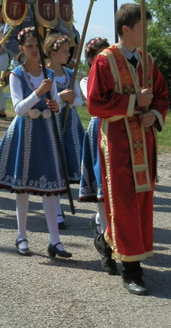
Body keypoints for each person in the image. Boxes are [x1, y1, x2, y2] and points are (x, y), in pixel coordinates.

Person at [87, 4, 169, 296]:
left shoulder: (148, 62)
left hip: (144, 144)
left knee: (140, 203)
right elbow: (95, 104)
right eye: (142, 27)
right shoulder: (105, 61)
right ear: (126, 29)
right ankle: (132, 271)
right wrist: (134, 102)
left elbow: (161, 96)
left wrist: (154, 115)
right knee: (122, 203)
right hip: (118, 144)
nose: (146, 33)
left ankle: (107, 241)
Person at [0, 27, 71, 259]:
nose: (34, 50)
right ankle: (22, 235)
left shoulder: (49, 75)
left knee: (51, 188)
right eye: (30, 46)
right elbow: (19, 108)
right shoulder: (16, 74)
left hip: (46, 132)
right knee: (22, 186)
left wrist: (55, 105)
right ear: (21, 49)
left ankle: (55, 240)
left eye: (37, 46)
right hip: (25, 133)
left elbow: (55, 104)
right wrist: (38, 93)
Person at [77, 36, 115, 274]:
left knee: (115, 189)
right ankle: (106, 246)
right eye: (100, 54)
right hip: (98, 131)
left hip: (116, 132)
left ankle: (103, 227)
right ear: (91, 59)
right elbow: (94, 99)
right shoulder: (85, 79)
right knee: (102, 186)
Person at [44, 32, 84, 230]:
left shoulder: (70, 74)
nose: (68, 54)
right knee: (54, 163)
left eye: (68, 51)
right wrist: (60, 97)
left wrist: (70, 99)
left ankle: (57, 207)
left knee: (65, 163)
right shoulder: (45, 74)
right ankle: (56, 209)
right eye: (64, 51)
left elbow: (79, 101)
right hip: (50, 122)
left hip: (69, 124)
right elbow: (43, 100)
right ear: (52, 53)